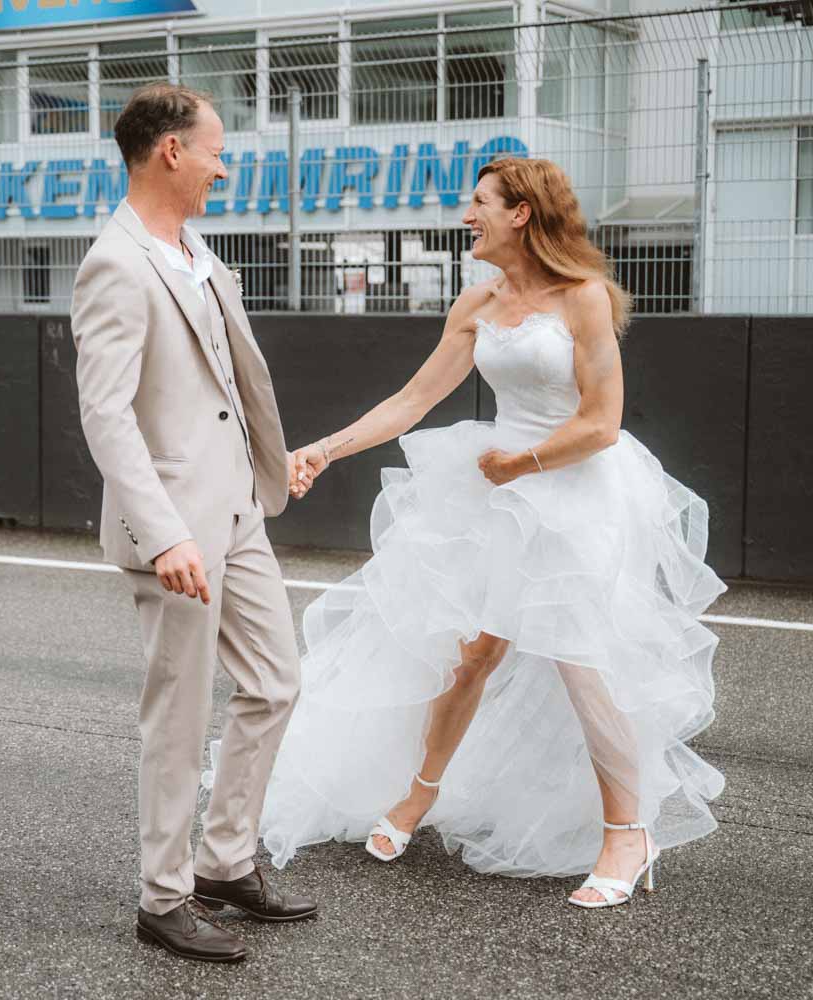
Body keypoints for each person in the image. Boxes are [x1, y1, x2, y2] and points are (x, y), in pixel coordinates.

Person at [263, 157, 726, 909]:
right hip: (499, 491)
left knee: (581, 661)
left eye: (478, 202)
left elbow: (602, 423)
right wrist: (322, 449)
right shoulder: (476, 302)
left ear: (521, 214)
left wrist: (526, 462)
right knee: (471, 652)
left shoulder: (584, 300)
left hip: (577, 490)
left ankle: (627, 832)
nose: (464, 213)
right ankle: (418, 796)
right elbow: (411, 402)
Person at [70, 83, 316, 963]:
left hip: (241, 511)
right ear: (171, 151)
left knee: (277, 682)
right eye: (216, 149)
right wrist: (164, 530)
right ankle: (163, 897)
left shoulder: (196, 250)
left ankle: (222, 863)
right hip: (175, 529)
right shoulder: (116, 263)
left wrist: (265, 459)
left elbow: (223, 385)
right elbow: (108, 414)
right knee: (177, 716)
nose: (225, 164)